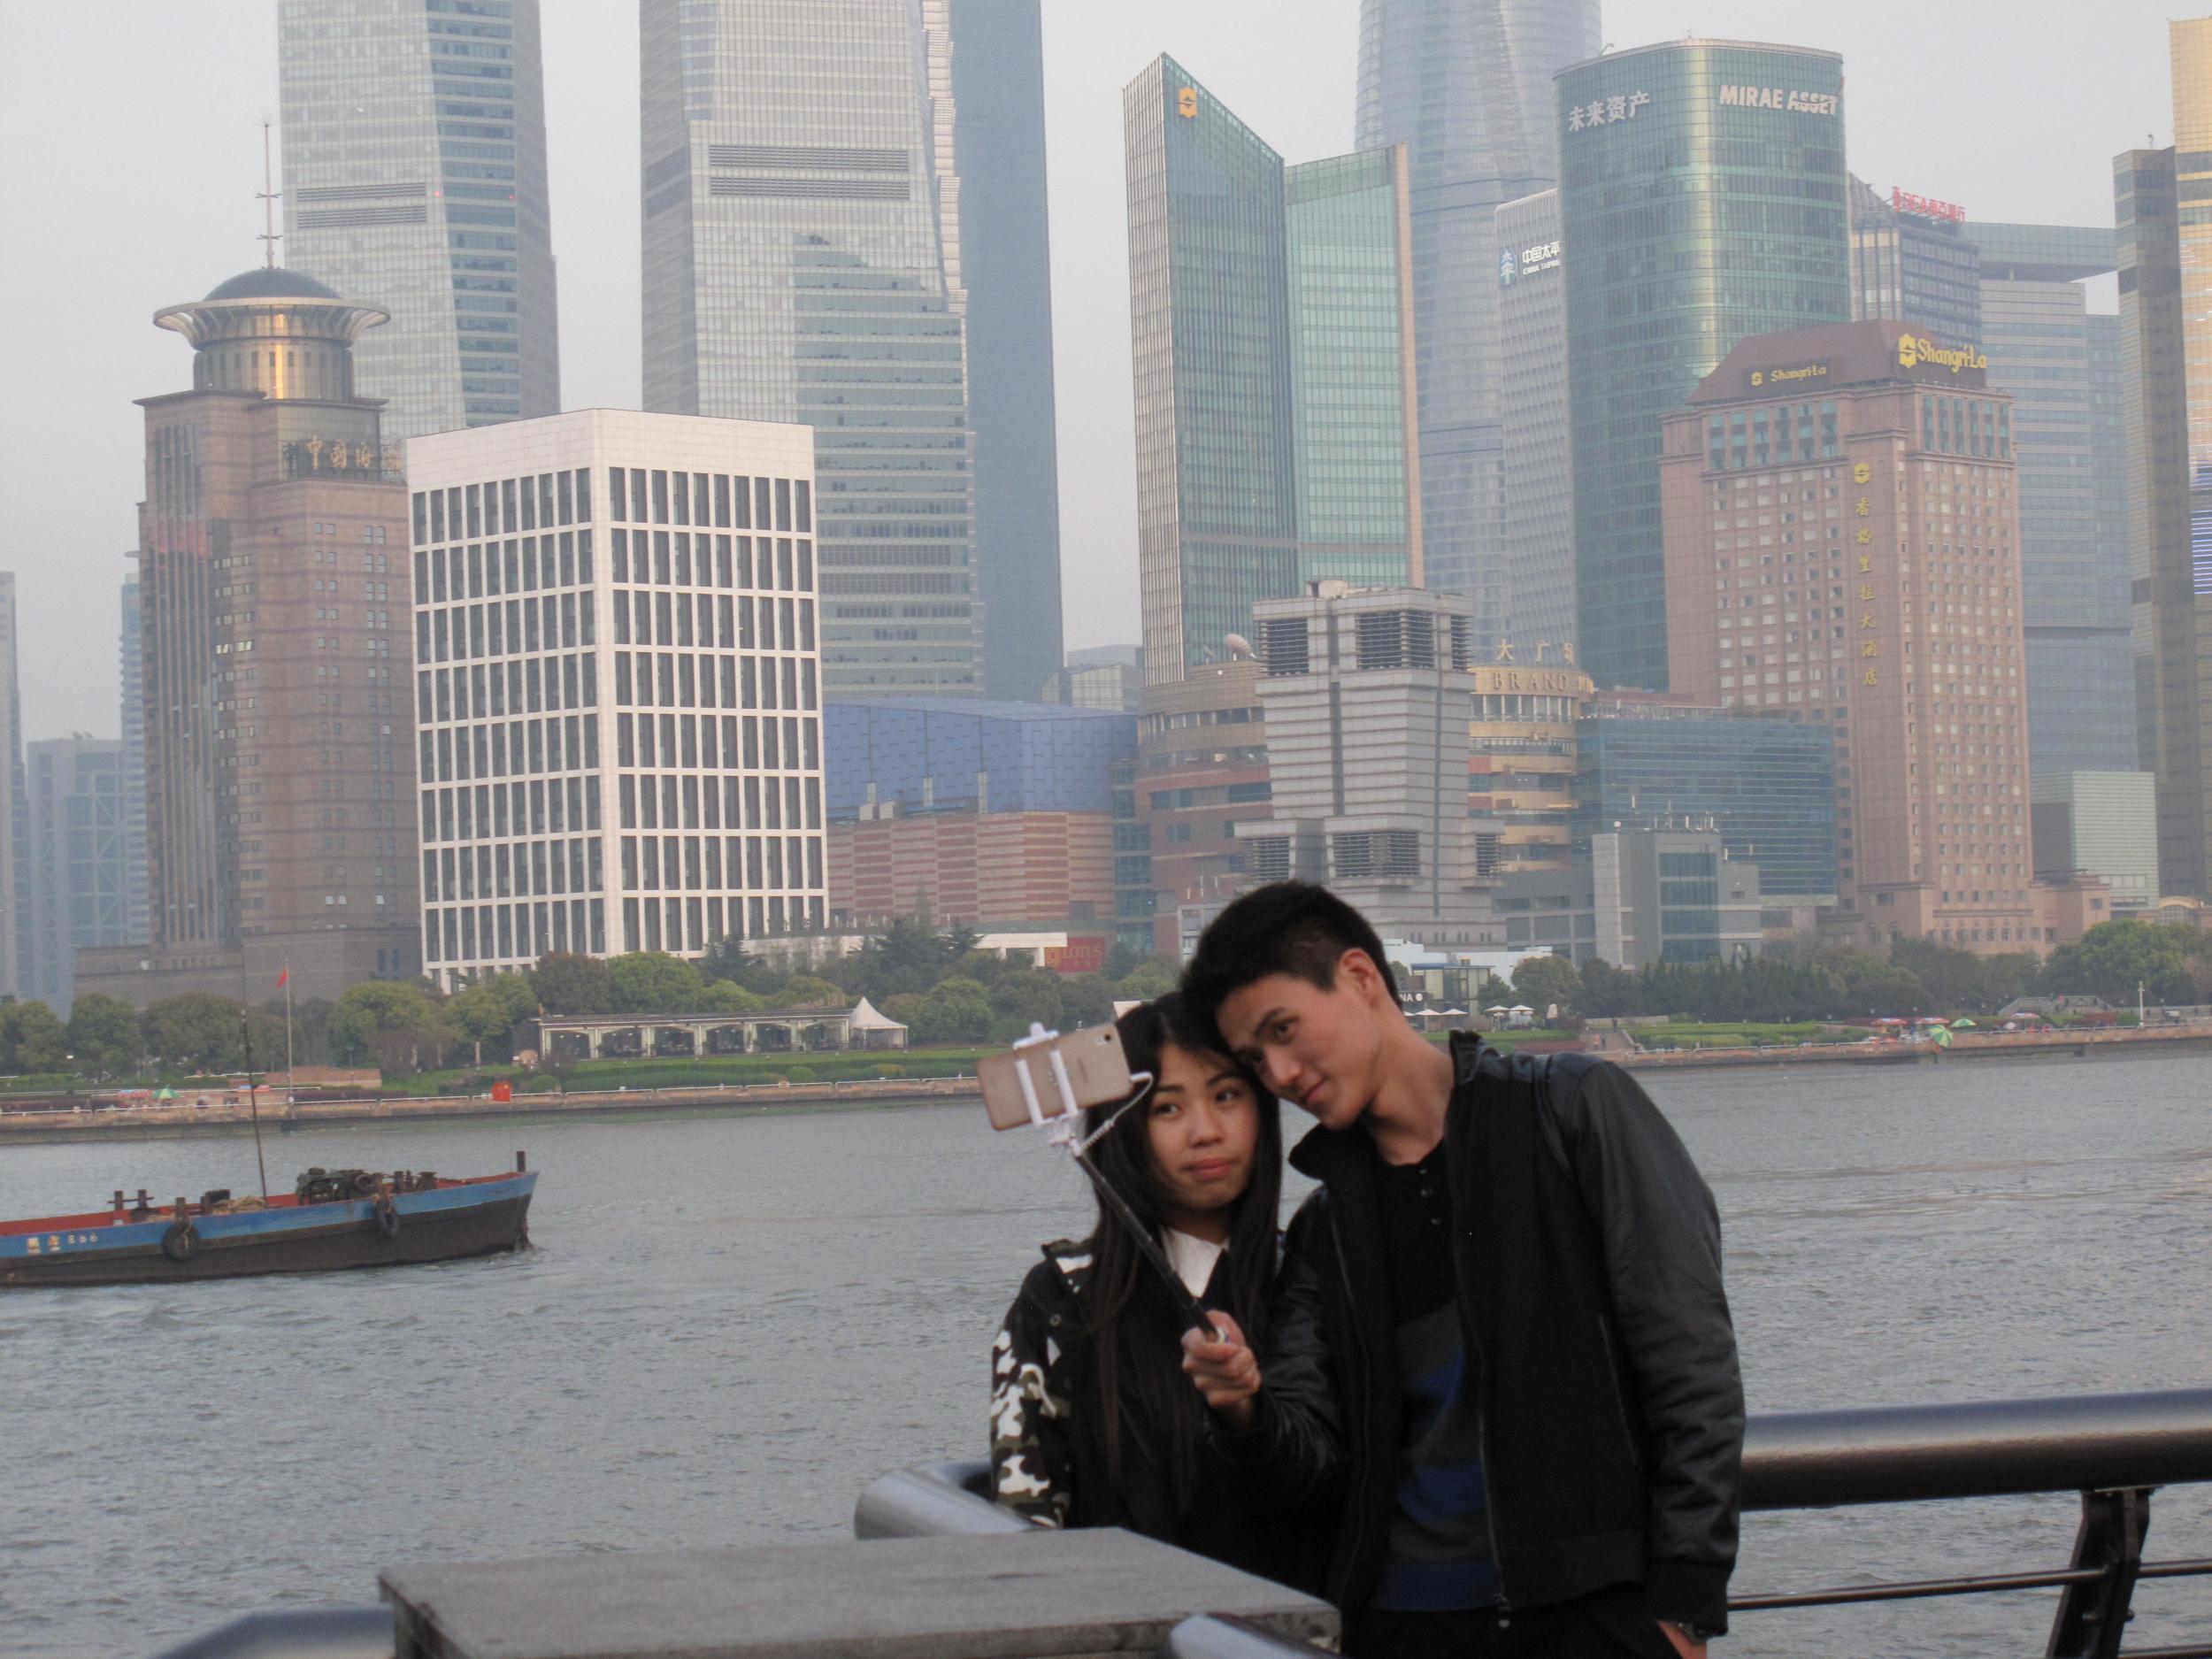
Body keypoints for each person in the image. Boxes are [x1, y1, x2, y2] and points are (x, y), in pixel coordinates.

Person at [1182, 883, 1743, 1658]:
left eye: (1284, 1029)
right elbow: (1311, 1454)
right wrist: (1245, 1406)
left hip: (1592, 1610)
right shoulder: (1323, 1229)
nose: (1278, 1072)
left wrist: (1685, 1598)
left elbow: (1691, 1360)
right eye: (1253, 1057)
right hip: (1400, 1624)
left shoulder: (1571, 1112)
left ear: (1359, 976)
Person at [988, 995, 1319, 1580]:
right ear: (1119, 1131)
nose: (1206, 1132)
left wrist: (1249, 1411)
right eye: (1166, 1108)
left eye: (1227, 1095)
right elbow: (1027, 1524)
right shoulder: (1061, 1302)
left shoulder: (1311, 1274)